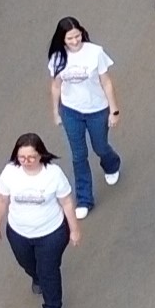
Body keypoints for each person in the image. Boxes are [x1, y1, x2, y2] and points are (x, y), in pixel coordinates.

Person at [0, 131, 79, 308]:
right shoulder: (10, 172)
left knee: (49, 272)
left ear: (40, 155)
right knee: (27, 262)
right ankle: (36, 275)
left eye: (31, 157)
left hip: (51, 233)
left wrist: (74, 230)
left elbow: (66, 202)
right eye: (22, 158)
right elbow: (1, 200)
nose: (27, 161)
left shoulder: (53, 174)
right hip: (19, 232)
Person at [44, 15, 122, 215]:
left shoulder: (95, 52)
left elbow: (106, 82)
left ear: (82, 33)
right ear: (62, 39)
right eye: (69, 39)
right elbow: (56, 86)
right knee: (79, 156)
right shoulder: (57, 58)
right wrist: (56, 111)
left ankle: (112, 163)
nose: (74, 41)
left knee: (100, 146)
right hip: (71, 111)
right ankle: (84, 199)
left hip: (97, 109)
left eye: (77, 36)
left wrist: (114, 110)